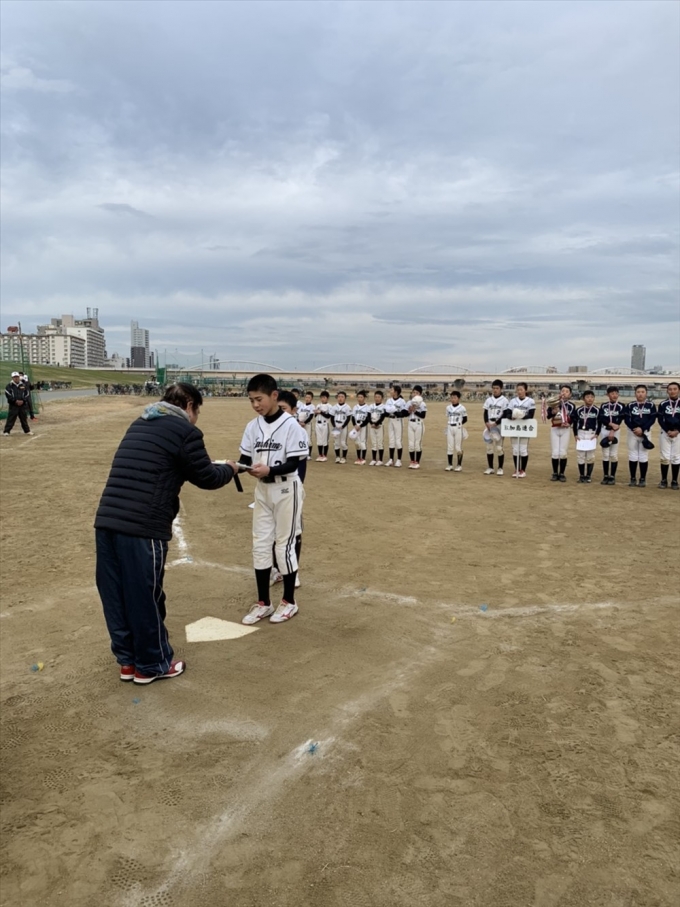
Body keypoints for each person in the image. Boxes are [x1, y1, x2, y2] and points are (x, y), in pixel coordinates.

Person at [94, 383, 236, 684]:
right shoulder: (184, 431)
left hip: (108, 520)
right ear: (189, 405)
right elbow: (207, 477)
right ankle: (152, 664)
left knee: (116, 595)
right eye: (197, 412)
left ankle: (128, 661)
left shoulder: (139, 423)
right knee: (145, 596)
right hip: (143, 526)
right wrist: (231, 469)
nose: (195, 418)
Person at [239, 374, 308, 625]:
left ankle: (289, 601)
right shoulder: (252, 426)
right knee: (260, 543)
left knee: (284, 545)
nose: (256, 404)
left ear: (274, 396)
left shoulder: (291, 425)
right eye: (251, 400)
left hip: (286, 488)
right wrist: (234, 467)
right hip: (263, 490)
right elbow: (245, 458)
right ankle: (264, 603)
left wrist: (269, 470)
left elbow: (294, 463)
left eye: (260, 399)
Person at [269, 390, 306, 588]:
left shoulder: (297, 431)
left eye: (283, 408)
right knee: (273, 531)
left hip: (290, 488)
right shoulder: (270, 430)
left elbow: (300, 466)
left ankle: (293, 571)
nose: (280, 412)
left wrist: (295, 489)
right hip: (271, 488)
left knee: (293, 531)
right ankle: (276, 569)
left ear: (293, 410)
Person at [624, 385, 657, 488]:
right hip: (632, 433)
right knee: (633, 455)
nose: (640, 394)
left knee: (643, 455)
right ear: (635, 393)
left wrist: (642, 429)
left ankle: (642, 478)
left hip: (645, 433)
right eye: (638, 392)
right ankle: (633, 478)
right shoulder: (630, 405)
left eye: (643, 392)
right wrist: (634, 429)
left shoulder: (651, 405)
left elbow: (652, 419)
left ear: (646, 393)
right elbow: (627, 419)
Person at [547, 385, 576, 482]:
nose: (564, 393)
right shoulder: (554, 403)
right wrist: (553, 412)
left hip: (565, 429)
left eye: (567, 391)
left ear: (570, 394)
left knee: (563, 452)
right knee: (555, 452)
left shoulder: (571, 405)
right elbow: (548, 416)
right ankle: (555, 473)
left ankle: (562, 473)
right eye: (563, 391)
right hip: (555, 428)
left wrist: (569, 423)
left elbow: (573, 417)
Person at [597, 386, 625, 485]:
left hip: (616, 431)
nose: (614, 395)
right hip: (605, 430)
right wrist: (610, 424)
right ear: (608, 395)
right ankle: (605, 476)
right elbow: (601, 418)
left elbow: (620, 418)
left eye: (616, 393)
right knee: (605, 454)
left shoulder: (621, 406)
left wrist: (613, 429)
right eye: (612, 393)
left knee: (613, 454)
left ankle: (612, 476)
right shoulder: (604, 405)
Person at [507, 383, 535, 478]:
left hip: (524, 428)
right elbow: (508, 413)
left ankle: (523, 470)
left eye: (521, 390)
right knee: (515, 450)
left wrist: (521, 416)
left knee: (523, 450)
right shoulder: (513, 401)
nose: (519, 392)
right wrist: (511, 416)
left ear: (525, 390)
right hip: (514, 427)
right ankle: (516, 469)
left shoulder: (530, 401)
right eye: (518, 390)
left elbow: (531, 415)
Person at [482, 380, 510, 475]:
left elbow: (505, 414)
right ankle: (490, 467)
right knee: (489, 447)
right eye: (493, 388)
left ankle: (500, 468)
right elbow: (485, 412)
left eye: (497, 388)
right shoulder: (488, 400)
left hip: (499, 425)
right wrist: (486, 422)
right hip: (489, 424)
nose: (495, 390)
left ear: (501, 389)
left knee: (499, 448)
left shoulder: (504, 400)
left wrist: (496, 423)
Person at [657, 381, 680, 490]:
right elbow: (660, 419)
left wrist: (677, 431)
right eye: (670, 389)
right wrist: (667, 430)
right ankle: (664, 480)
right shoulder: (663, 404)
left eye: (675, 389)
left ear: (678, 390)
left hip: (678, 433)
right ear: (667, 391)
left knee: (676, 457)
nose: (672, 391)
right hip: (665, 433)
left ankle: (674, 480)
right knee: (665, 457)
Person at [573, 390, 599, 483]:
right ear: (583, 399)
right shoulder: (579, 410)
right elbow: (575, 423)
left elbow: (599, 423)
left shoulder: (597, 410)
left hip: (591, 434)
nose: (590, 399)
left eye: (592, 397)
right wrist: (575, 434)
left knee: (590, 455)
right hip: (581, 433)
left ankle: (588, 476)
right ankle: (581, 475)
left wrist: (597, 434)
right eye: (587, 397)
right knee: (581, 455)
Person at [384, 384, 408, 467]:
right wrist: (390, 411)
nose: (390, 391)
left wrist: (395, 411)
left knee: (398, 440)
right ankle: (391, 459)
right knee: (391, 440)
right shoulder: (389, 400)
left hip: (398, 421)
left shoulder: (401, 401)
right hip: (390, 420)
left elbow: (404, 413)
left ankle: (399, 460)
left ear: (396, 392)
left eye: (392, 390)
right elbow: (385, 411)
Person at [3, 372, 33, 436]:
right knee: (11, 418)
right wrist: (15, 401)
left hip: (22, 405)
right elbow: (8, 394)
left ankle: (27, 431)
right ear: (12, 378)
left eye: (17, 377)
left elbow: (27, 394)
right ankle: (6, 431)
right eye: (14, 377)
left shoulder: (23, 385)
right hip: (13, 405)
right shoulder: (9, 386)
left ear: (19, 377)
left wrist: (23, 401)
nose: (16, 378)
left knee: (23, 418)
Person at [445, 390, 467, 471]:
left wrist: (460, 424)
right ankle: (450, 465)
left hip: (458, 428)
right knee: (450, 446)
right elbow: (448, 416)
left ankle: (459, 465)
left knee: (458, 447)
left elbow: (465, 419)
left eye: (455, 398)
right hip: (450, 427)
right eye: (451, 398)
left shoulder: (462, 408)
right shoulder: (448, 408)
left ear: (458, 398)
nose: (453, 399)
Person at [407, 385, 427, 469]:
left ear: (420, 394)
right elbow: (406, 413)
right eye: (413, 392)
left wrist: (414, 411)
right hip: (410, 423)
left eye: (417, 393)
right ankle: (412, 461)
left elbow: (423, 415)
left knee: (417, 444)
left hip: (418, 424)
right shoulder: (409, 402)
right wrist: (409, 410)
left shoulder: (422, 403)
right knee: (411, 444)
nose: (415, 394)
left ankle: (417, 462)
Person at [330, 391, 352, 463]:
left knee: (343, 443)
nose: (340, 398)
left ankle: (344, 457)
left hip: (343, 426)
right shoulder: (334, 407)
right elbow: (332, 418)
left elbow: (348, 418)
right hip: (336, 425)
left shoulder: (347, 407)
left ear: (345, 398)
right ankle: (337, 457)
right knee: (336, 443)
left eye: (342, 397)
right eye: (339, 397)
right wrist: (334, 426)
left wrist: (343, 426)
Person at [351, 390, 371, 464]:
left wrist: (361, 426)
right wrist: (355, 425)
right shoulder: (355, 407)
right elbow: (353, 417)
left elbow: (368, 418)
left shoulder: (367, 407)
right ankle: (358, 458)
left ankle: (363, 458)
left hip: (363, 426)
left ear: (364, 398)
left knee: (362, 442)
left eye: (361, 397)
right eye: (358, 397)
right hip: (356, 426)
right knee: (357, 442)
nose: (359, 398)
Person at [368, 390, 386, 466]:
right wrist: (371, 423)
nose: (377, 398)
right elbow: (368, 416)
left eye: (379, 397)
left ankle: (380, 460)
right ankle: (374, 459)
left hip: (379, 426)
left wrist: (376, 424)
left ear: (382, 398)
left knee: (380, 443)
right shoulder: (371, 406)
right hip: (372, 426)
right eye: (376, 397)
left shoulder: (383, 407)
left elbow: (382, 417)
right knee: (373, 443)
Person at [296, 391, 315, 460]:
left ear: (311, 398)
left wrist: (305, 422)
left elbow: (311, 416)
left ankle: (308, 454)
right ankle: (302, 453)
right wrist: (299, 422)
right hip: (300, 424)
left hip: (307, 424)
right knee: (301, 438)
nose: (307, 399)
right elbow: (297, 414)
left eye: (309, 397)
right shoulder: (302, 406)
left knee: (308, 439)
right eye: (306, 397)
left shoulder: (312, 406)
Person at [314, 390, 332, 461]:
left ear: (327, 398)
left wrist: (321, 412)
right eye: (321, 397)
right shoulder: (318, 405)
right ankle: (320, 455)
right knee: (319, 440)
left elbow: (328, 416)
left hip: (325, 424)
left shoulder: (329, 406)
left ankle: (324, 455)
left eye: (324, 397)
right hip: (317, 423)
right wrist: (316, 412)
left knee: (324, 440)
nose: (322, 399)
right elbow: (315, 415)